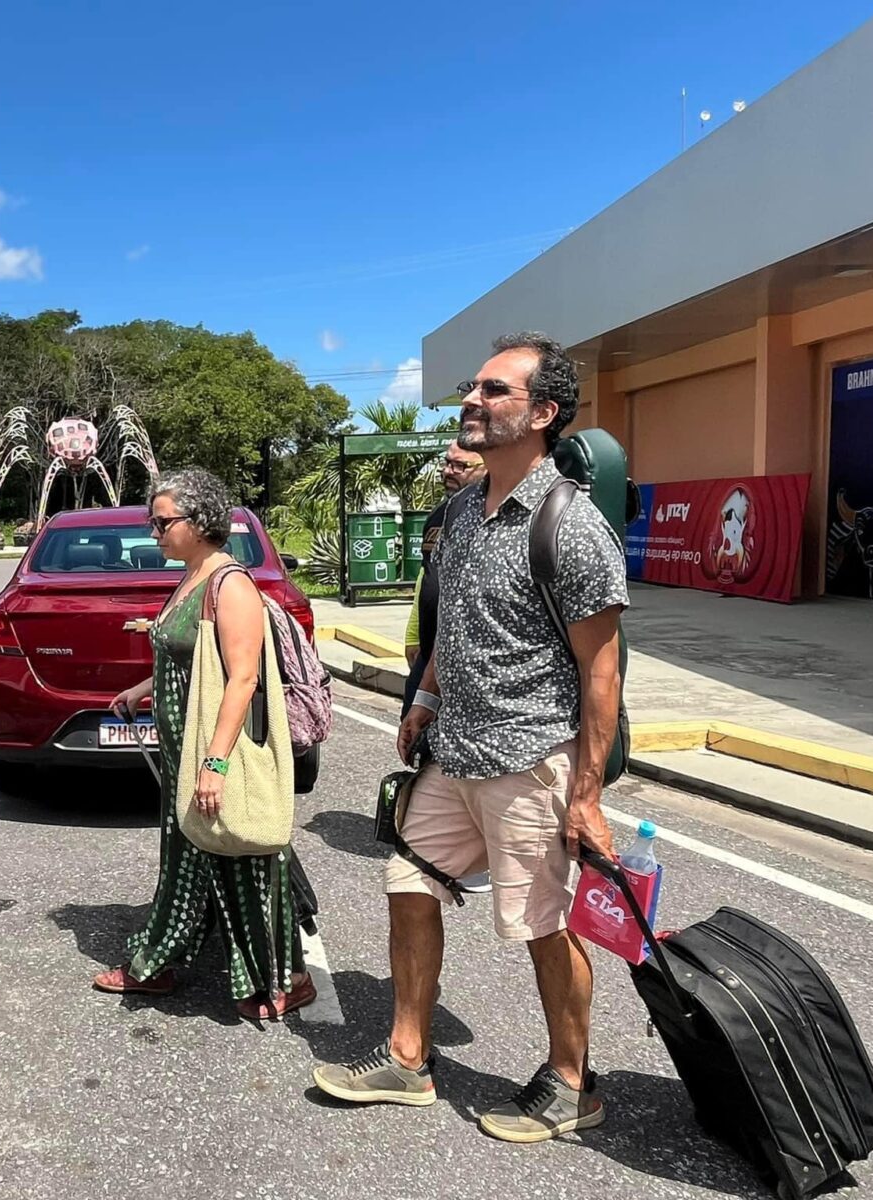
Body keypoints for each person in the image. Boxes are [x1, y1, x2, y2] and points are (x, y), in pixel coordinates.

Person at [312, 333, 627, 1142]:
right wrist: (422, 697)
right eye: (473, 388)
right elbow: (453, 623)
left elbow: (602, 672)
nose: (473, 401)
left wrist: (586, 795)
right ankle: (409, 1058)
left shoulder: (571, 524)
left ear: (544, 412)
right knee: (408, 883)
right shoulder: (459, 509)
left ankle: (571, 1084)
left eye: (495, 390)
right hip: (454, 751)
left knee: (543, 925)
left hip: (531, 756)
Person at [97, 467, 314, 1021]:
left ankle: (287, 977)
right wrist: (142, 688)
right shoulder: (193, 575)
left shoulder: (230, 584)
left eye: (163, 521)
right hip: (182, 755)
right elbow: (192, 656)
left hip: (215, 755)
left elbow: (241, 679)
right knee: (190, 857)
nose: (154, 531)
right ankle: (162, 961)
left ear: (200, 522)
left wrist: (214, 764)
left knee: (239, 859)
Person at [402, 441, 485, 704]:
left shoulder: (495, 516)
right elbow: (426, 575)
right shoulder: (439, 515)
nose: (448, 471)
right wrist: (414, 634)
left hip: (470, 664)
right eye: (447, 463)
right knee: (413, 735)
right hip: (429, 655)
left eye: (460, 465)